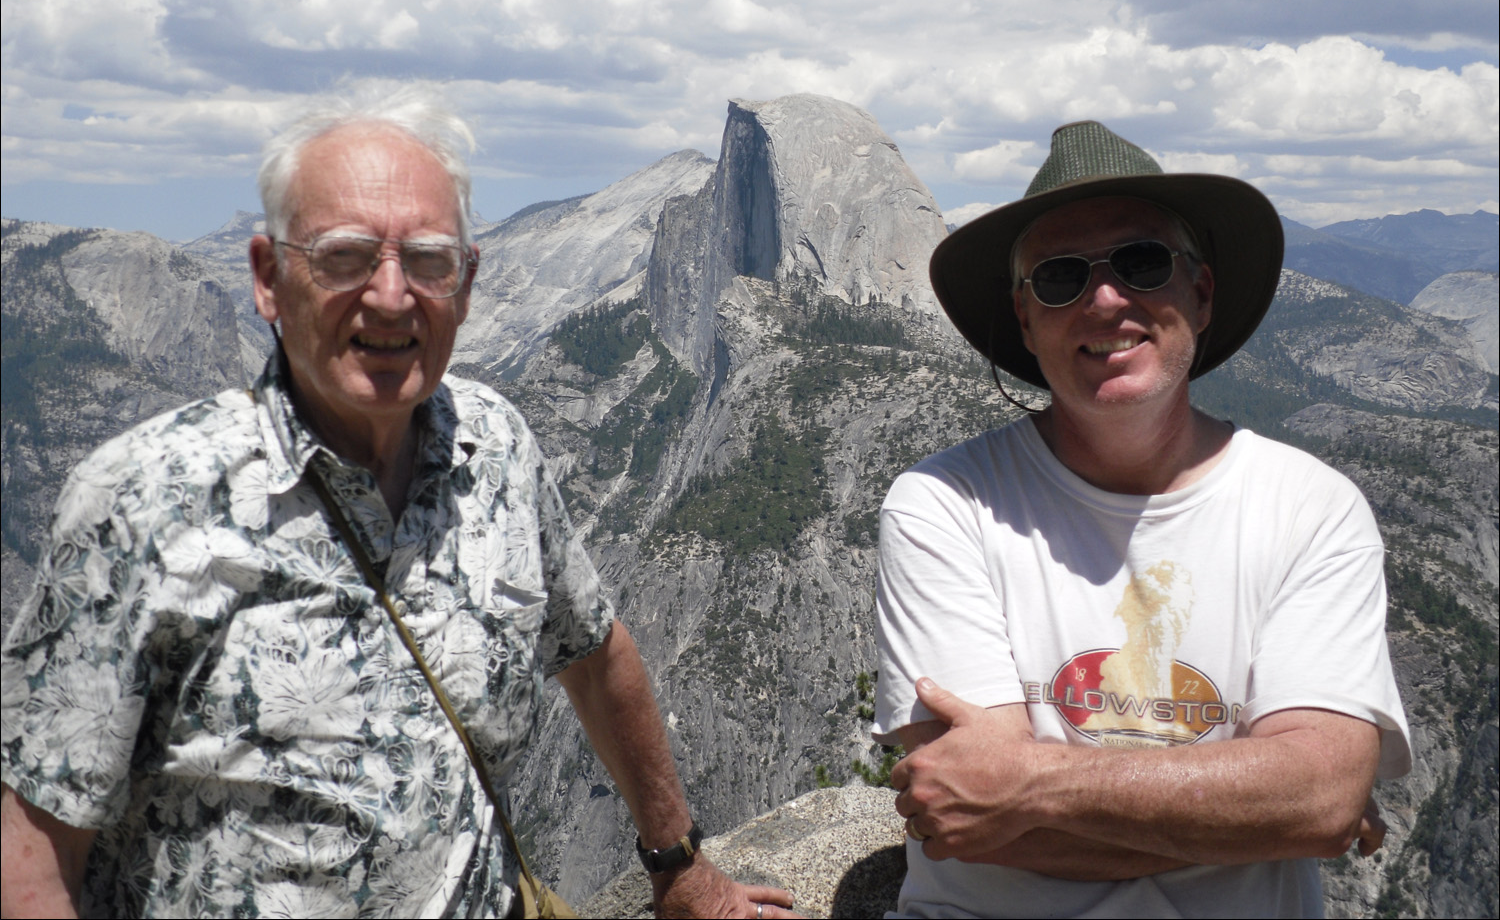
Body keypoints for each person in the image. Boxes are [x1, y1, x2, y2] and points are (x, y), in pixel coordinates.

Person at [0, 86, 796, 920]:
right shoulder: (140, 498)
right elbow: (31, 855)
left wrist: (681, 864)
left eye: (427, 259)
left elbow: (596, 654)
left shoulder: (499, 446)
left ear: (467, 280)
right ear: (269, 279)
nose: (390, 296)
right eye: (344, 257)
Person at [872, 121, 1411, 917]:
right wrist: (1260, 807)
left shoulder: (1311, 507)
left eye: (1141, 261)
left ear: (1201, 290)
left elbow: (1321, 797)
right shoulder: (942, 505)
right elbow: (969, 822)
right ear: (1025, 318)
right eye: (1059, 277)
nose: (1105, 298)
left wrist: (1026, 780)